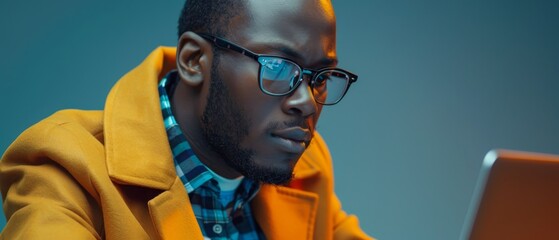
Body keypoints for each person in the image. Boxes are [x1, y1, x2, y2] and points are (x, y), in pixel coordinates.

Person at [0, 0, 373, 239]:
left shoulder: (306, 164)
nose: (307, 102)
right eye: (277, 67)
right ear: (194, 60)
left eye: (321, 78)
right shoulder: (66, 164)